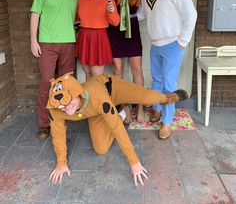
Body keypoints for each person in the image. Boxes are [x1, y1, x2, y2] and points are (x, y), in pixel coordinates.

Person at [46, 72, 189, 186]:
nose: (66, 107)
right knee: (101, 149)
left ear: (78, 93)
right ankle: (124, 111)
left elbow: (116, 128)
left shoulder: (97, 98)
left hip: (112, 89)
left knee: (148, 98)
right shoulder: (56, 110)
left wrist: (134, 162)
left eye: (69, 101)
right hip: (96, 112)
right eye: (61, 105)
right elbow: (57, 134)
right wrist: (61, 163)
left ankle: (168, 98)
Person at [137, 0, 197, 140]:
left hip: (173, 44)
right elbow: (142, 14)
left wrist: (182, 42)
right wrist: (123, 17)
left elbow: (191, 14)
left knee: (169, 85)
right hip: (155, 44)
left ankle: (167, 121)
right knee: (156, 80)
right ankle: (156, 109)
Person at [30, 0, 83, 140]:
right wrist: (33, 40)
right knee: (47, 82)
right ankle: (44, 124)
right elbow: (35, 14)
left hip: (69, 42)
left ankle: (62, 119)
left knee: (67, 83)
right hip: (47, 43)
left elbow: (83, 14)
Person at [107, 0, 145, 122]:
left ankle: (140, 107)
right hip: (115, 33)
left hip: (133, 33)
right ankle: (122, 107)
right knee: (118, 71)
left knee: (137, 70)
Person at [75, 0, 120, 81]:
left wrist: (111, 10)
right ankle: (89, 99)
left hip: (98, 38)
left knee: (97, 78)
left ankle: (98, 99)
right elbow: (78, 18)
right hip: (84, 37)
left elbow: (115, 22)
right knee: (88, 74)